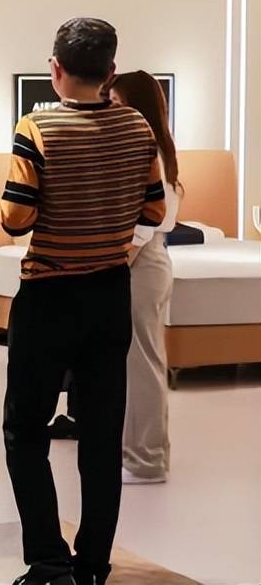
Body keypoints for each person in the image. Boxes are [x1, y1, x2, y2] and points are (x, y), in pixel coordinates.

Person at [0, 18, 166, 585]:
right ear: (110, 71)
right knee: (100, 436)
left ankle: (49, 563)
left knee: (26, 429)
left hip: (48, 295)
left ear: (56, 69)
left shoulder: (36, 127)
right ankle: (93, 564)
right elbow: (154, 211)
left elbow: (15, 217)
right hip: (109, 293)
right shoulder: (137, 127)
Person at [108, 71, 180, 485]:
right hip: (143, 262)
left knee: (143, 364)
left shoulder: (150, 150)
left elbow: (146, 223)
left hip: (143, 264)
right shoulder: (150, 147)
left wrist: (118, 260)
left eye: (118, 104)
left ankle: (146, 460)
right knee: (136, 363)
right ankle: (137, 451)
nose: (113, 110)